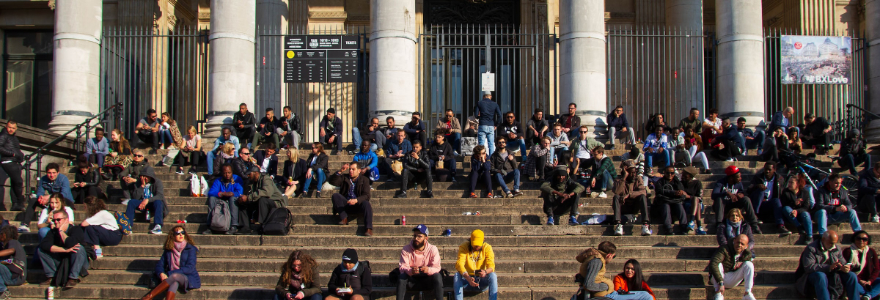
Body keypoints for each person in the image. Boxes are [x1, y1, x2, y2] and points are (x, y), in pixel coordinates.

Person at [795, 230, 861, 300]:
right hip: (813, 275)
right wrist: (828, 267)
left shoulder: (836, 248)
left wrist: (844, 267)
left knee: (851, 276)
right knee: (821, 276)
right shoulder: (811, 249)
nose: (832, 246)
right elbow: (809, 267)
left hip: (834, 273)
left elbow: (842, 262)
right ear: (823, 239)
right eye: (830, 243)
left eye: (834, 243)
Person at [141, 225, 201, 300]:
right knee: (174, 282)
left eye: (183, 232)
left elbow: (190, 268)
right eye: (178, 233)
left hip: (188, 277)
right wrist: (161, 273)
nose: (181, 235)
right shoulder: (169, 249)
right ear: (173, 236)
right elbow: (160, 265)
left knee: (175, 276)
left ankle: (149, 297)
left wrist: (169, 274)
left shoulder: (190, 249)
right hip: (172, 278)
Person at [37, 210, 90, 289]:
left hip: (78, 262)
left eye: (58, 219)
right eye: (54, 220)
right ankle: (52, 276)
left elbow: (71, 244)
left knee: (78, 248)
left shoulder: (76, 229)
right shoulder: (53, 232)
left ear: (66, 220)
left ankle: (73, 278)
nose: (56, 222)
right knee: (41, 250)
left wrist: (61, 231)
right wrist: (64, 250)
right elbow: (44, 245)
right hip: (62, 260)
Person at [575, 241, 649, 299]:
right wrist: (605, 287)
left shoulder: (594, 259)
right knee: (646, 296)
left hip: (609, 294)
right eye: (613, 257)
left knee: (645, 294)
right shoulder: (596, 261)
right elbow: (589, 285)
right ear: (609, 255)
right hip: (607, 296)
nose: (611, 259)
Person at [20, 163, 73, 232]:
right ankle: (25, 224)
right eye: (49, 173)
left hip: (65, 201)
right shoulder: (43, 179)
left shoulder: (63, 179)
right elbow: (39, 192)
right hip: (52, 201)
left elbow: (64, 194)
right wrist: (41, 198)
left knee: (61, 199)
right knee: (33, 200)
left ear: (58, 172)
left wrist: (49, 197)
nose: (51, 175)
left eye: (54, 173)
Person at [397, 224, 443, 300]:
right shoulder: (406, 249)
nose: (416, 238)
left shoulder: (433, 249)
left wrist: (428, 270)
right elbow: (402, 267)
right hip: (411, 280)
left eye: (419, 236)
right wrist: (410, 271)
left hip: (427, 280)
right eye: (415, 236)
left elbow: (437, 267)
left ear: (426, 238)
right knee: (402, 276)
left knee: (437, 276)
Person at [328, 162, 374, 236]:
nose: (351, 171)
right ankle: (344, 218)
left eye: (353, 169)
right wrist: (340, 171)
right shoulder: (344, 177)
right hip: (346, 204)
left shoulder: (364, 179)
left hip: (358, 204)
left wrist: (357, 200)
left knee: (367, 204)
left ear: (359, 170)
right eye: (350, 169)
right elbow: (332, 182)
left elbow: (367, 195)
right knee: (335, 195)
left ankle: (368, 228)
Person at [712, 166, 761, 234]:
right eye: (738, 177)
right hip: (724, 206)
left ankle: (754, 224)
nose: (740, 179)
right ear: (731, 178)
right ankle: (719, 225)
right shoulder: (721, 183)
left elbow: (742, 192)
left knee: (746, 199)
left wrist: (740, 195)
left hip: (734, 205)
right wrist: (726, 193)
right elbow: (714, 195)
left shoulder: (739, 183)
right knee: (719, 199)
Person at [708, 234, 756, 300]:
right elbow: (713, 263)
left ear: (746, 246)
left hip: (733, 278)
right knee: (718, 264)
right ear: (734, 241)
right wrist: (720, 282)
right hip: (719, 278)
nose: (739, 245)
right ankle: (718, 293)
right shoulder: (724, 249)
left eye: (742, 244)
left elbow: (749, 263)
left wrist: (741, 262)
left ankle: (747, 293)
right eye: (738, 242)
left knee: (749, 264)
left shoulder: (747, 254)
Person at [611, 160, 651, 236]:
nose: (633, 174)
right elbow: (617, 192)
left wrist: (629, 195)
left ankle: (645, 224)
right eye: (631, 172)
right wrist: (624, 178)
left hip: (634, 206)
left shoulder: (638, 178)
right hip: (623, 206)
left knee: (642, 197)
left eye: (634, 172)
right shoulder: (618, 179)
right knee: (616, 197)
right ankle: (618, 225)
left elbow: (643, 191)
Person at [454, 230, 498, 300]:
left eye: (478, 245)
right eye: (474, 244)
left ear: (483, 240)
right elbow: (459, 264)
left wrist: (485, 272)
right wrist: (468, 278)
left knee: (493, 275)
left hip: (481, 280)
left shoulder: (487, 247)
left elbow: (491, 266)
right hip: (467, 280)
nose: (476, 247)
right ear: (470, 239)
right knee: (457, 275)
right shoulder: (464, 246)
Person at [747, 162, 788, 235]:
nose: (767, 171)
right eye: (765, 169)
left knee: (776, 200)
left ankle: (780, 225)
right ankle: (755, 216)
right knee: (761, 191)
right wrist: (757, 186)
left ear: (774, 170)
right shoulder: (758, 177)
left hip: (769, 204)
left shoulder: (779, 179)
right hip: (757, 203)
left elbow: (782, 193)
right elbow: (748, 190)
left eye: (769, 169)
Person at [123, 167, 166, 235]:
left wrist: (148, 200)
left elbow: (160, 195)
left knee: (158, 201)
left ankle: (158, 226)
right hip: (142, 204)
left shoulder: (157, 182)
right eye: (143, 176)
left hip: (153, 203)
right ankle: (128, 225)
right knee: (131, 202)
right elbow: (135, 197)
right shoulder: (138, 183)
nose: (145, 178)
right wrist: (142, 186)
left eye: (147, 177)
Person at [241, 166, 285, 234]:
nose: (248, 175)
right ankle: (246, 227)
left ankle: (262, 225)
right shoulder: (251, 182)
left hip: (275, 202)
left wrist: (249, 197)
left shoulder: (266, 179)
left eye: (250, 174)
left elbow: (266, 193)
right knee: (244, 203)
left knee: (262, 200)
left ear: (256, 173)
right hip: (261, 202)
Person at [202, 164, 243, 235]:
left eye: (229, 173)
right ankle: (209, 226)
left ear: (232, 172)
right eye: (225, 173)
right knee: (212, 198)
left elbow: (239, 192)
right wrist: (222, 194)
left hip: (233, 200)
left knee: (233, 199)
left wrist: (232, 194)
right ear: (222, 173)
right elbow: (211, 192)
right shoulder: (218, 180)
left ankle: (233, 226)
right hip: (221, 200)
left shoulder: (237, 179)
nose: (227, 175)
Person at [843, 231, 880, 300]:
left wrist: (870, 281)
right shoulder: (848, 251)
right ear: (854, 239)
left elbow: (877, 269)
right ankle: (869, 294)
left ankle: (868, 296)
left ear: (868, 241)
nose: (861, 241)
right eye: (858, 238)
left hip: (868, 281)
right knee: (853, 284)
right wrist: (860, 281)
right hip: (856, 281)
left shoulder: (871, 251)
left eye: (864, 239)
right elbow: (847, 269)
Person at [653, 165, 689, 235]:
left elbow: (680, 191)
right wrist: (673, 193)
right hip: (664, 203)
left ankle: (683, 226)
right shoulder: (660, 182)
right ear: (664, 173)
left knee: (679, 205)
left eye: (672, 173)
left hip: (675, 202)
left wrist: (679, 193)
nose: (670, 175)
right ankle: (668, 228)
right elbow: (659, 191)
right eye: (668, 173)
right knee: (665, 206)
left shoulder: (677, 182)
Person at [781, 177, 815, 244]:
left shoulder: (805, 192)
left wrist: (797, 211)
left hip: (800, 213)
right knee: (786, 209)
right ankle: (799, 227)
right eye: (789, 182)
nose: (789, 184)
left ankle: (809, 236)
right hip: (790, 214)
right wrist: (794, 203)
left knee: (806, 214)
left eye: (792, 182)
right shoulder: (785, 192)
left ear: (797, 184)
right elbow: (784, 204)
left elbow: (806, 207)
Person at [0, 121, 25, 211]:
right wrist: (13, 154)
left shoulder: (14, 137)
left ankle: (15, 204)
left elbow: (16, 148)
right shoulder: (3, 135)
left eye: (13, 128)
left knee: (15, 182)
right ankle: (19, 202)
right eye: (9, 127)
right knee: (18, 182)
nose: (11, 130)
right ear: (6, 126)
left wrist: (20, 155)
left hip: (15, 162)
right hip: (8, 161)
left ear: (16, 128)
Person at [0, 225, 25, 297]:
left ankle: (2, 291)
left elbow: (11, 250)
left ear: (4, 234)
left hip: (15, 277)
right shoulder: (5, 245)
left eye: (1, 233)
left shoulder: (13, 242)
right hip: (12, 277)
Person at [475, 91, 502, 155]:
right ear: (490, 96)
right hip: (491, 125)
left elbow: (476, 115)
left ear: (483, 96)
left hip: (482, 124)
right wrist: (496, 124)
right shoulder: (495, 104)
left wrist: (479, 117)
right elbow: (500, 116)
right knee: (491, 144)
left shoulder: (479, 103)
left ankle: (481, 158)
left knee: (481, 143)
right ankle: (491, 159)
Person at [681, 167, 707, 235]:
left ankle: (692, 221)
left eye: (685, 175)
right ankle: (699, 227)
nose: (682, 176)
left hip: (696, 204)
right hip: (686, 204)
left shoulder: (697, 183)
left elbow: (700, 197)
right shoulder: (681, 183)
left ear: (690, 176)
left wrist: (689, 196)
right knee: (696, 202)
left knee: (696, 200)